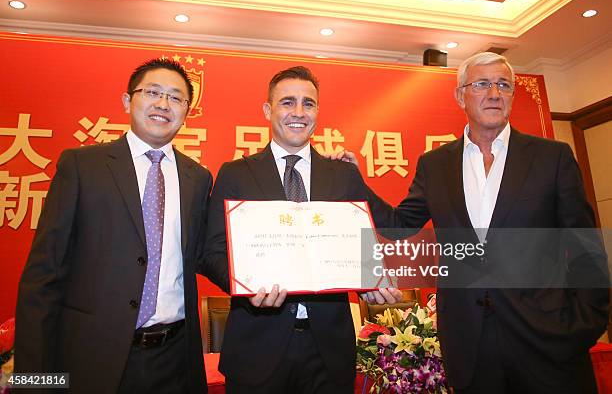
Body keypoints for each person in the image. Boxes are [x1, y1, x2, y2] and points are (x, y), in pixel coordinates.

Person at [342, 51, 609, 393]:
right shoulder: (436, 164)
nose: (494, 93)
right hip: (469, 343)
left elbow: (586, 247)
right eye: (482, 84)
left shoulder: (551, 157)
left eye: (503, 85)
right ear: (460, 96)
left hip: (548, 340)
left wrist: (585, 324)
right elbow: (399, 224)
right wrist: (355, 180)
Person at [15, 58, 223, 393]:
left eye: (175, 97)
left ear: (187, 112)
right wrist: (31, 383)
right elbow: (43, 277)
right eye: (152, 92)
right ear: (128, 101)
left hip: (174, 359)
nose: (162, 104)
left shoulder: (197, 178)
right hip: (92, 357)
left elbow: (204, 254)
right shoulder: (83, 166)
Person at [203, 66, 403, 394]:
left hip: (329, 350)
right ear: (268, 110)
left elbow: (380, 236)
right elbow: (210, 251)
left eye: (308, 104)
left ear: (318, 112)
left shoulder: (343, 175)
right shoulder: (235, 174)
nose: (298, 112)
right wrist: (246, 286)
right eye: (287, 102)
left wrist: (371, 277)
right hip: (257, 345)